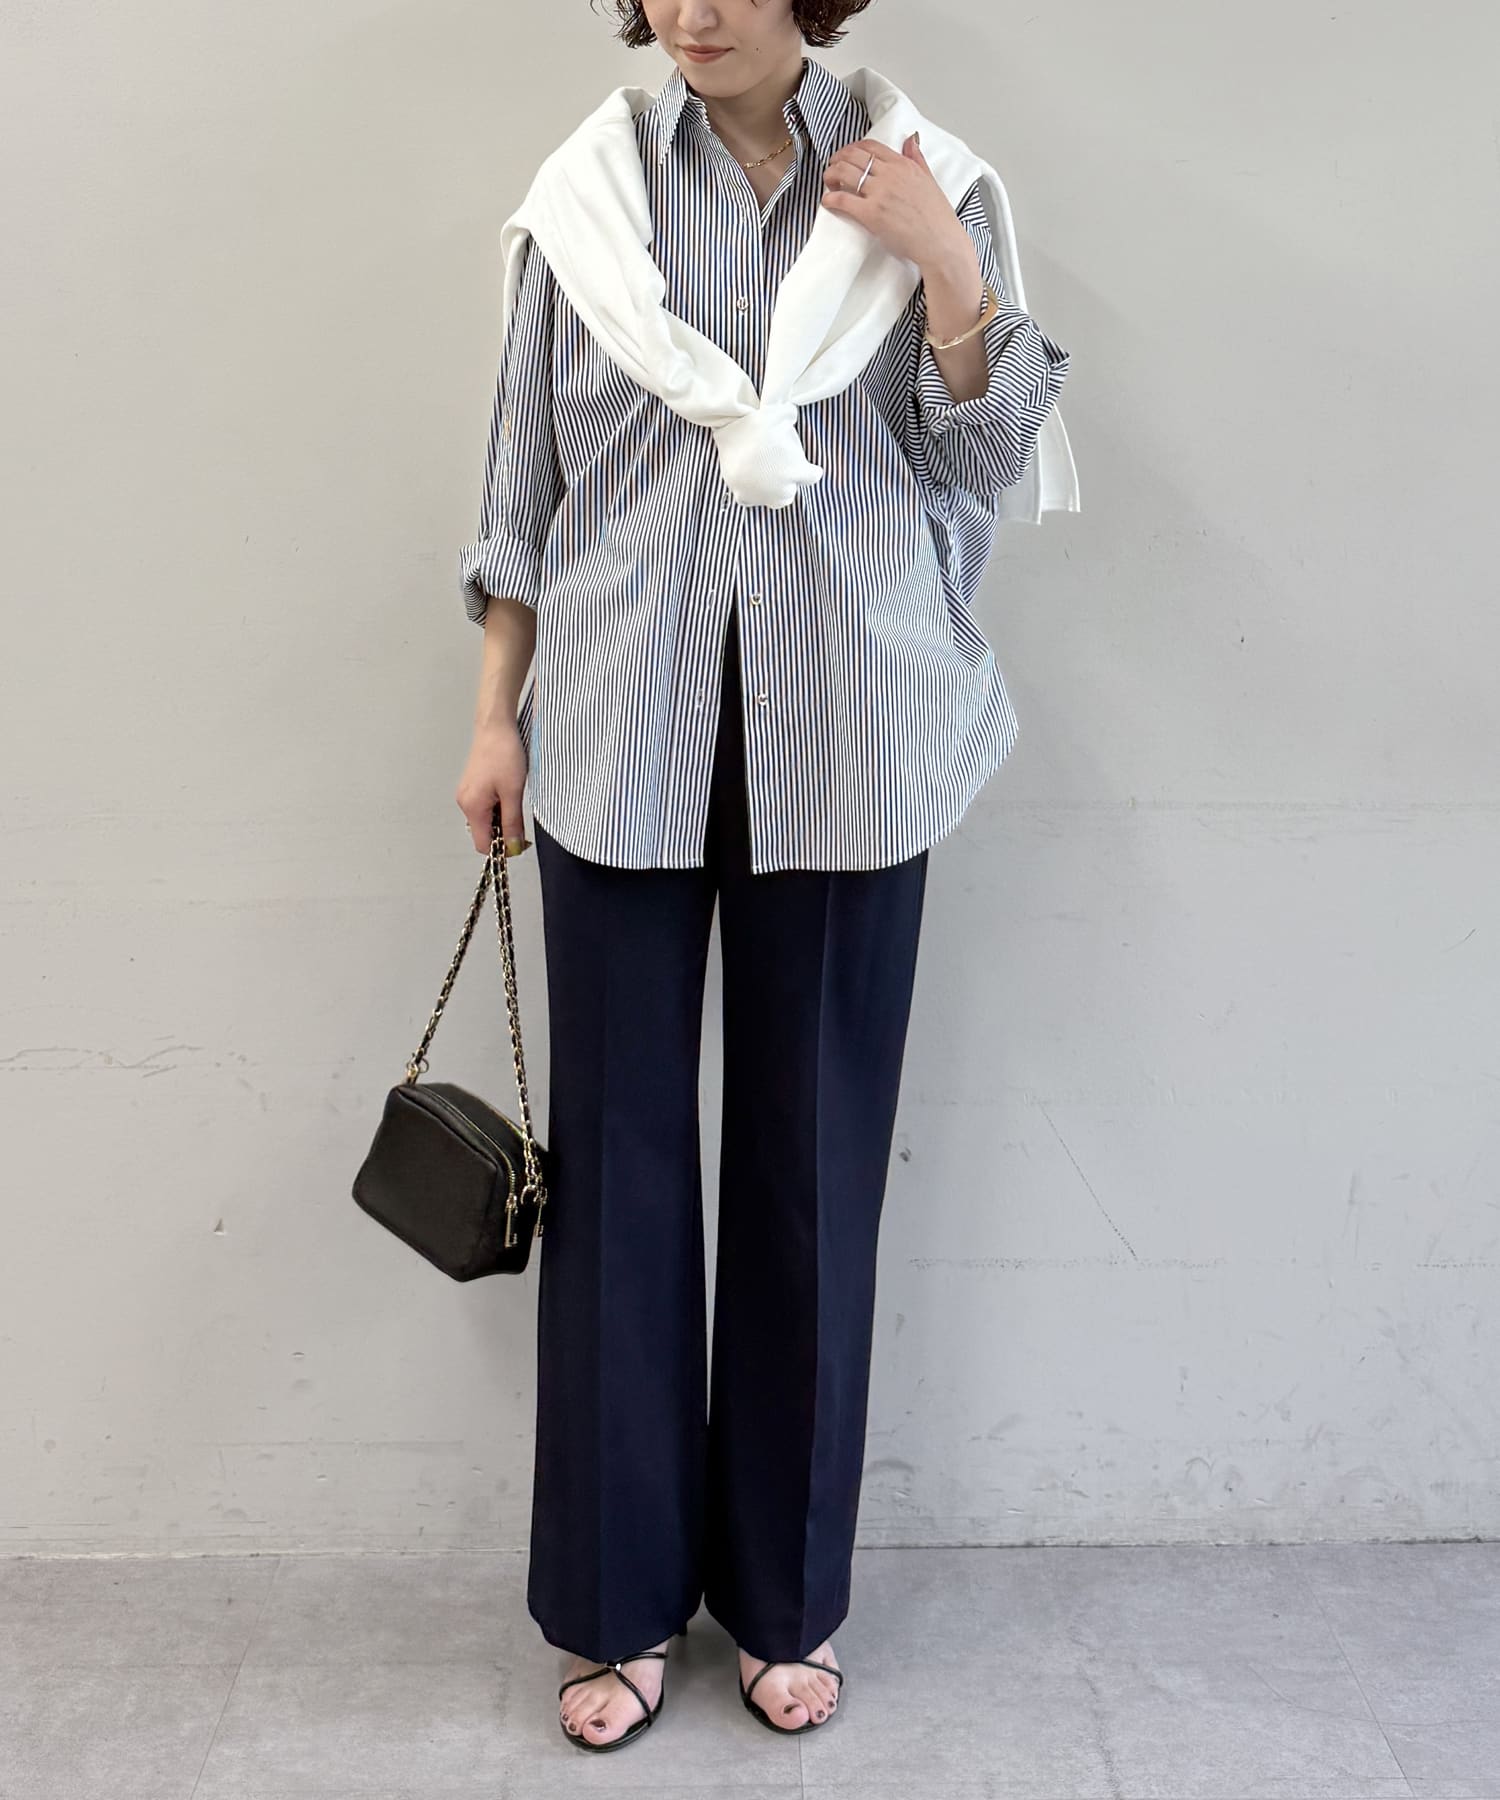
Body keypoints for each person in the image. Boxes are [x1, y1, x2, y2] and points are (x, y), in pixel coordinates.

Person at [453, 0, 1071, 1754]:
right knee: (618, 1185)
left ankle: (789, 1600)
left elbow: (989, 464)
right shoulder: (588, 196)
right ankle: (616, 1606)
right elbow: (522, 485)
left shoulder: (925, 180)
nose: (696, 12)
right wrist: (493, 717)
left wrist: (946, 264)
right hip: (619, 737)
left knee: (814, 1177)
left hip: (852, 741)